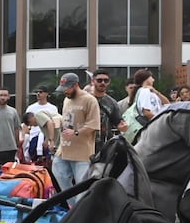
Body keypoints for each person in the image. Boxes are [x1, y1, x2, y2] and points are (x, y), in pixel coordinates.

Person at [52, 73, 100, 207]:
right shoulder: (66, 100)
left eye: (67, 88)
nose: (65, 92)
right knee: (58, 171)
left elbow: (94, 125)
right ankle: (72, 206)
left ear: (75, 85)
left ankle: (80, 210)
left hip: (82, 152)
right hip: (64, 148)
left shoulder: (89, 100)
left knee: (82, 186)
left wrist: (76, 132)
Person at [90, 69, 126, 153]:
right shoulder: (85, 99)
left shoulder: (112, 103)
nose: (103, 83)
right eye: (99, 80)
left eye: (106, 80)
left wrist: (123, 126)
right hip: (86, 143)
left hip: (104, 145)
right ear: (93, 81)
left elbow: (118, 122)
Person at [0, 88, 20, 170]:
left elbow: (16, 129)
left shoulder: (13, 111)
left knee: (9, 174)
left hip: (10, 148)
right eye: (1, 95)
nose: (3, 97)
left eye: (5, 95)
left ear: (8, 97)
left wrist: (17, 144)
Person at [25, 85, 58, 165]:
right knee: (34, 159)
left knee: (48, 160)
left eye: (41, 92)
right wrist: (25, 137)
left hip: (47, 136)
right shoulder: (31, 108)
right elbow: (26, 125)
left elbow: (53, 123)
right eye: (37, 92)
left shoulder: (52, 108)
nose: (38, 94)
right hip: (34, 136)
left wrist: (49, 139)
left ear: (46, 94)